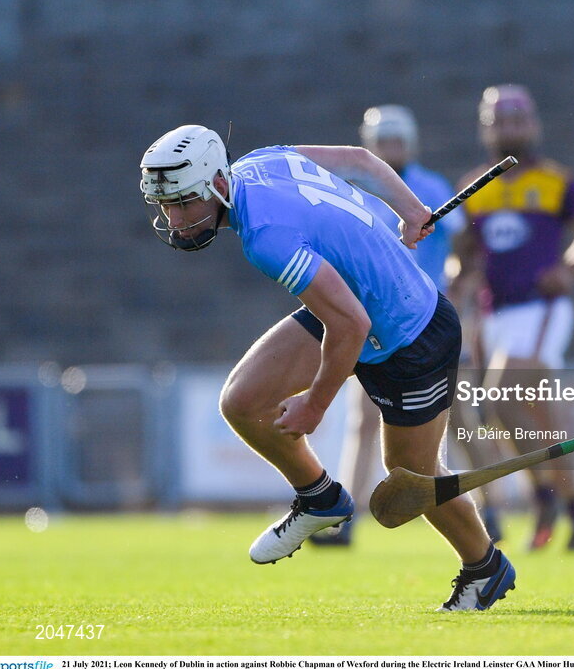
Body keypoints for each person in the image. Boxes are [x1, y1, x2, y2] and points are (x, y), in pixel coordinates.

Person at [139, 125, 516, 611]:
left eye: (184, 202)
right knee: (242, 402)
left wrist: (315, 405)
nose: (175, 219)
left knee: (410, 474)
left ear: (216, 184)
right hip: (354, 304)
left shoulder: (264, 236)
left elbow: (352, 326)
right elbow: (358, 161)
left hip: (410, 334)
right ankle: (320, 498)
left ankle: (484, 567)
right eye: (166, 206)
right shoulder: (258, 160)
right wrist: (410, 208)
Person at [309, 104, 501, 547]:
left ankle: (493, 507)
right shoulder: (353, 189)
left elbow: (467, 251)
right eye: (383, 141)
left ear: (410, 143)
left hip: (428, 324)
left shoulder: (431, 186)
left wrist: (461, 298)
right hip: (373, 323)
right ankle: (348, 517)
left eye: (398, 141)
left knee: (459, 422)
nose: (390, 149)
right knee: (362, 420)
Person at [453, 85, 574, 550]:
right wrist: (460, 275)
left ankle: (543, 495)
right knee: (539, 418)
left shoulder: (556, 180)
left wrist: (569, 269)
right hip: (494, 315)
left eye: (518, 120)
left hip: (540, 310)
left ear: (534, 125)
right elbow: (461, 256)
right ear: (486, 128)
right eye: (500, 121)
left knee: (499, 397)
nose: (510, 129)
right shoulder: (475, 187)